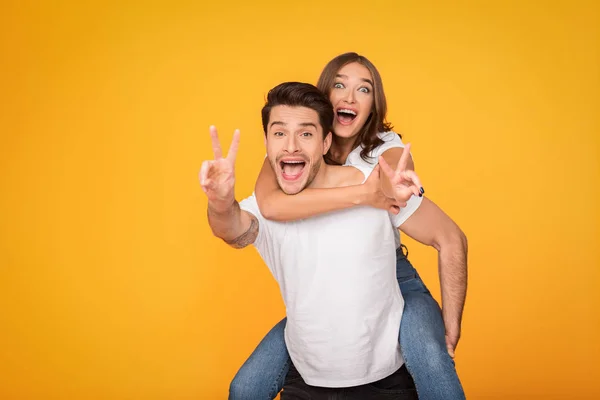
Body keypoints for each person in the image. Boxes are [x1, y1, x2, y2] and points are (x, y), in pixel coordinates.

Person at [229, 53, 468, 400]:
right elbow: (270, 205)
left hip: (397, 278)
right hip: (331, 296)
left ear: (374, 106)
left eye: (364, 89)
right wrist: (361, 195)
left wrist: (451, 328)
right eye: (339, 84)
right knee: (246, 386)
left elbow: (391, 184)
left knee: (431, 356)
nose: (349, 97)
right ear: (325, 98)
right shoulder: (295, 151)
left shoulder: (382, 149)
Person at [203, 82, 428, 398]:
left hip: (385, 382)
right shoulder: (265, 207)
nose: (291, 146)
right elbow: (233, 230)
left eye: (305, 134)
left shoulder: (375, 187)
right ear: (267, 143)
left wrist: (403, 193)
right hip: (305, 382)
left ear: (325, 142)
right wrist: (220, 201)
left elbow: (444, 234)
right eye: (279, 133)